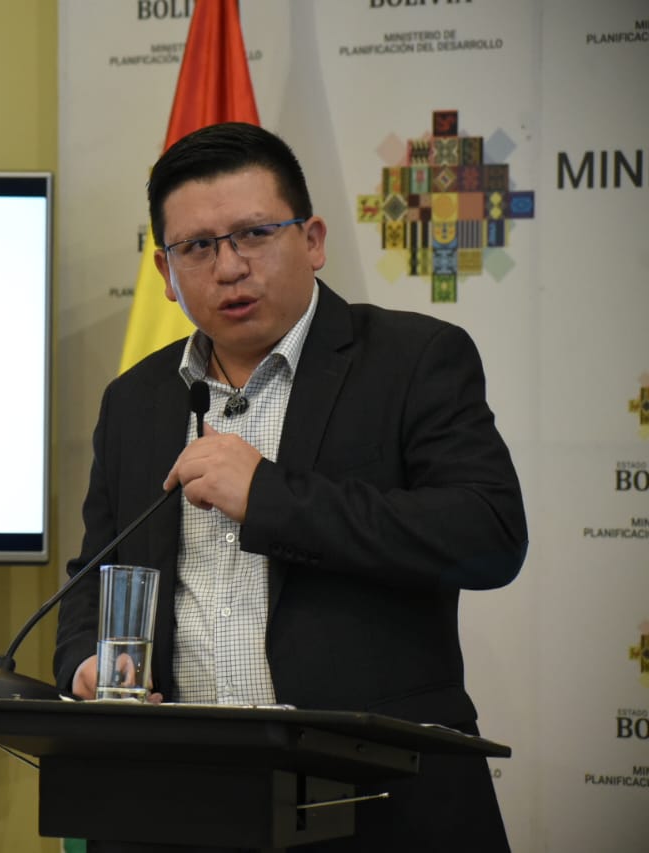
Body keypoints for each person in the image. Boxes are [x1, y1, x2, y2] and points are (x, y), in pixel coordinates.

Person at [53, 122, 528, 852]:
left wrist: (269, 498)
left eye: (254, 234)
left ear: (312, 240)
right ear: (165, 272)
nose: (229, 267)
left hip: (374, 803)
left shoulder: (413, 360)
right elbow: (96, 574)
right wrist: (86, 662)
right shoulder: (134, 401)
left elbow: (487, 534)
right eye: (197, 247)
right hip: (177, 803)